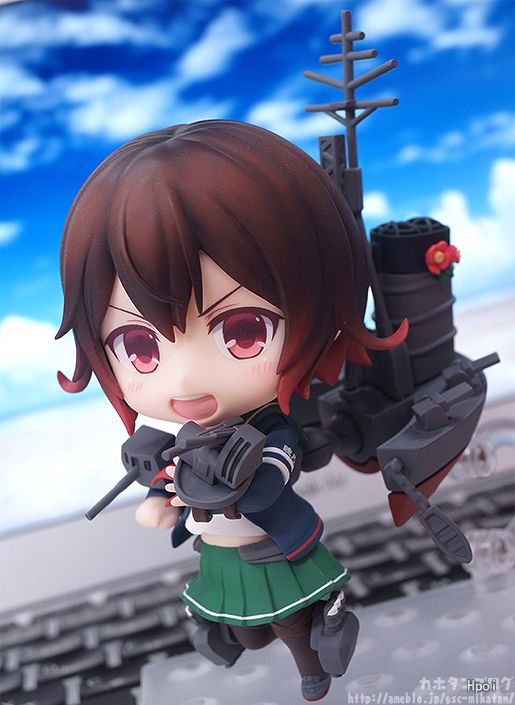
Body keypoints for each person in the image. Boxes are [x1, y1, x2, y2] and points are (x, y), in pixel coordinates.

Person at [57, 120, 406, 701]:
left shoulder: (270, 429)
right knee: (248, 632)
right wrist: (161, 498)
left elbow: (272, 471)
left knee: (290, 620)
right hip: (220, 554)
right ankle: (246, 636)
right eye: (140, 347)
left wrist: (231, 482)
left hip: (270, 545)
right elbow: (168, 475)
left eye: (243, 332)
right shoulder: (183, 438)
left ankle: (317, 654)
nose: (185, 377)